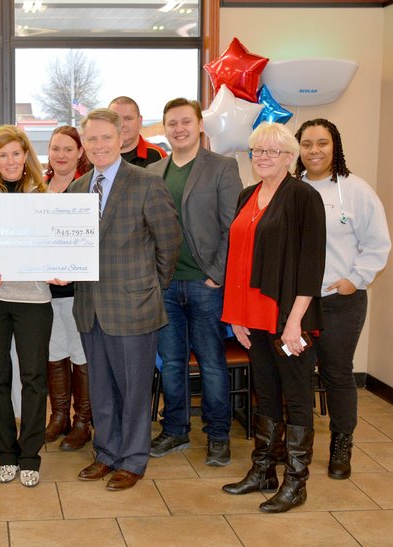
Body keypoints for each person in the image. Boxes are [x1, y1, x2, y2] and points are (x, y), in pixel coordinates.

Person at [70, 109, 181, 490]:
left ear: (120, 139)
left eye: (106, 138)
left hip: (134, 305)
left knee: (134, 390)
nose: (98, 145)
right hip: (89, 307)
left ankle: (133, 460)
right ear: (84, 144)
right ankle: (106, 453)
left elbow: (169, 244)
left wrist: (150, 286)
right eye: (91, 139)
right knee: (99, 388)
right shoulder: (78, 187)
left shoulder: (146, 183)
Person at [221, 122, 326, 513]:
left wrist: (295, 321)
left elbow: (311, 265)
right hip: (252, 315)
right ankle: (262, 470)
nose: (262, 157)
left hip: (287, 316)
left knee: (297, 398)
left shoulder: (303, 197)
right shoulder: (247, 195)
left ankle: (295, 483)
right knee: (264, 391)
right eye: (256, 151)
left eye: (271, 151)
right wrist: (236, 316)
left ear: (289, 156)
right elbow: (238, 257)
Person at [146, 99, 242, 465]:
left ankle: (218, 435)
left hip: (205, 285)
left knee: (212, 363)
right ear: (165, 128)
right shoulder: (154, 172)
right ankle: (175, 431)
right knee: (171, 363)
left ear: (200, 125)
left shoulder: (222, 168)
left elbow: (231, 226)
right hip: (166, 286)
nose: (179, 128)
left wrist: (216, 275)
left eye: (186, 121)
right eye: (172, 123)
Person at [295, 118, 391, 480]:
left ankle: (341, 444)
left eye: (322, 143)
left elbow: (378, 242)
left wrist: (356, 279)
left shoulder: (356, 190)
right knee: (298, 372)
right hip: (299, 306)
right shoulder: (291, 189)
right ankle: (299, 446)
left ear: (335, 146)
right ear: (298, 149)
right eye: (307, 144)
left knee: (336, 374)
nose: (314, 151)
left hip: (340, 301)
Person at [0, 125, 53, 487]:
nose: (10, 161)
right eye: (2, 154)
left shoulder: (45, 197)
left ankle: (30, 456)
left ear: (26, 157)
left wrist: (60, 267)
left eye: (16, 153)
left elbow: (58, 245)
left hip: (34, 299)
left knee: (34, 378)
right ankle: (5, 453)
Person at [43, 125, 93, 451]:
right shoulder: (37, 188)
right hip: (45, 291)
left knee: (80, 353)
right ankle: (58, 416)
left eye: (67, 149)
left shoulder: (88, 188)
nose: (61, 155)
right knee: (53, 351)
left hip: (79, 290)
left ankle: (82, 421)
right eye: (55, 149)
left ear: (79, 152)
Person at [108, 96, 168, 168]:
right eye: (116, 119)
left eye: (128, 118)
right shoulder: (95, 156)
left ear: (140, 121)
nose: (122, 124)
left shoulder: (158, 157)